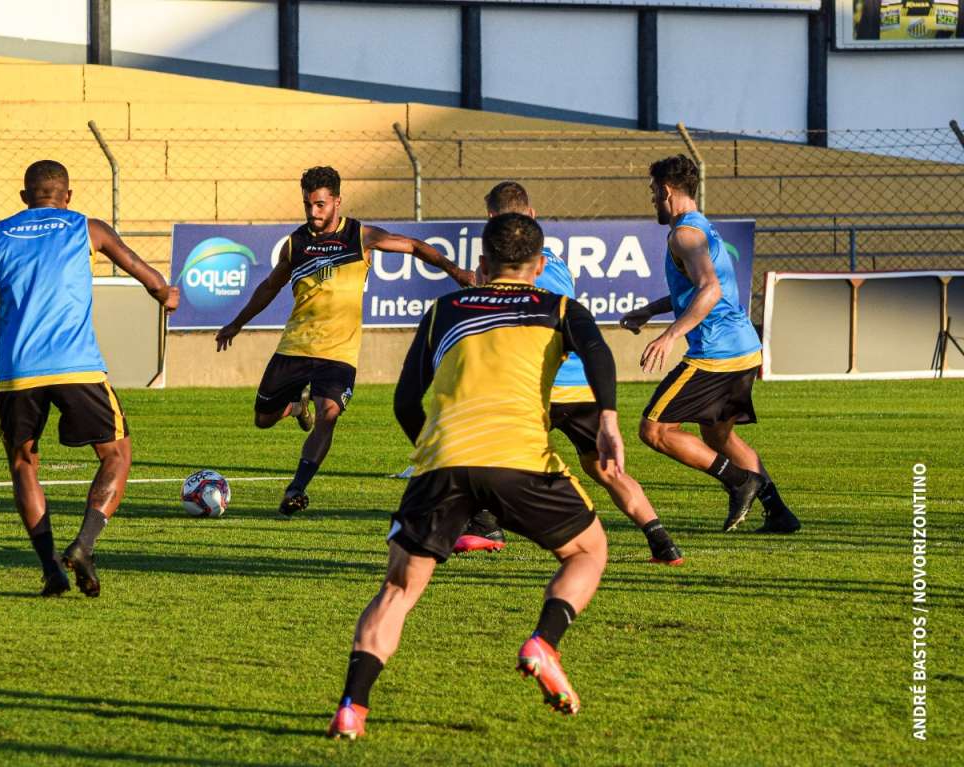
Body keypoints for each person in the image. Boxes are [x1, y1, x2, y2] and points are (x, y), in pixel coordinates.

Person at [327, 212, 622, 739]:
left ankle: (352, 707)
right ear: (538, 267)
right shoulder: (558, 306)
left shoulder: (444, 310)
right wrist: (607, 420)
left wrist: (432, 453)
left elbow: (403, 401)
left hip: (442, 460)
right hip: (521, 459)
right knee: (588, 551)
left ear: (482, 264)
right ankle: (544, 642)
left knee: (397, 590)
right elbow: (598, 352)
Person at [0, 160, 179, 596]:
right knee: (117, 454)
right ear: (67, 195)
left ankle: (51, 567)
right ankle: (84, 544)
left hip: (17, 372)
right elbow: (147, 275)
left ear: (24, 196)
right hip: (76, 366)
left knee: (23, 463)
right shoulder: (88, 228)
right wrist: (167, 294)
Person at [215, 166, 474, 516]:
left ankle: (297, 488)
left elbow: (412, 246)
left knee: (329, 413)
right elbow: (271, 286)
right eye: (308, 205)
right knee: (263, 418)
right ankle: (294, 408)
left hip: (339, 352)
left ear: (337, 201)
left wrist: (455, 271)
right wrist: (236, 323)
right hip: (295, 345)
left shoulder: (360, 236)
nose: (313, 213)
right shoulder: (296, 243)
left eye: (320, 205)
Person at [453, 182, 682, 566]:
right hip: (580, 383)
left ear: (493, 219)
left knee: (478, 443)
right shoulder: (555, 261)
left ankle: (485, 525)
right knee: (607, 470)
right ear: (534, 215)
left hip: (538, 385)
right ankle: (661, 541)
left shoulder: (503, 264)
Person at [620, 155, 800, 534]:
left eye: (653, 192)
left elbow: (711, 289)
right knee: (718, 436)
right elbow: (699, 289)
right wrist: (650, 311)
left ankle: (739, 482)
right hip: (744, 349)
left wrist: (670, 336)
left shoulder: (684, 234)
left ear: (667, 191)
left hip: (718, 354)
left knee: (654, 430)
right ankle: (779, 512)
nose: (652, 199)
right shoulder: (700, 229)